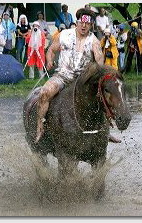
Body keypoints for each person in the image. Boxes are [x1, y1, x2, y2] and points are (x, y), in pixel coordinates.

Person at [35, 8, 104, 143]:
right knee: (44, 92)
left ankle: (103, 131)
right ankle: (40, 126)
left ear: (91, 25)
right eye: (81, 23)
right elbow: (51, 50)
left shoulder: (94, 41)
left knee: (101, 98)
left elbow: (99, 62)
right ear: (77, 22)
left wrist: (97, 71)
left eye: (87, 24)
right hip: (62, 76)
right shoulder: (64, 34)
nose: (84, 26)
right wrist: (49, 60)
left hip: (82, 81)